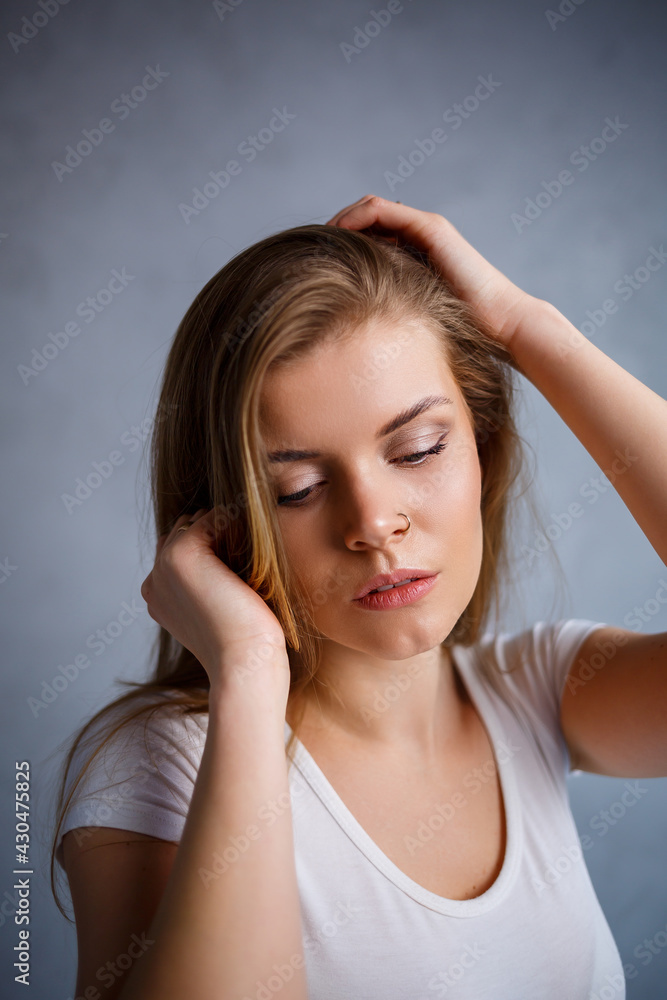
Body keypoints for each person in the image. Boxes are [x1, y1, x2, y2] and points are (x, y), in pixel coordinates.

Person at [51, 195, 667, 1000]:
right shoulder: (159, 770)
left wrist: (526, 328)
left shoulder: (542, 692)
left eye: (417, 450)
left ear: (481, 447)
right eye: (298, 490)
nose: (373, 524)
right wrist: (248, 671)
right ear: (220, 523)